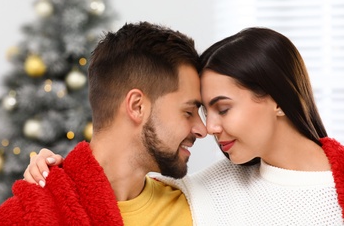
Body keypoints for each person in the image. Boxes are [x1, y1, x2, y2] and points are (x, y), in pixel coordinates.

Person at [26, 27, 344, 225]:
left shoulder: (332, 194)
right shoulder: (206, 191)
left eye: (223, 108)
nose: (208, 128)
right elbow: (104, 180)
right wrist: (54, 175)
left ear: (277, 99)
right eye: (200, 111)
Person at [0, 22, 207, 225]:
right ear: (137, 106)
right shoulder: (32, 213)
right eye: (188, 112)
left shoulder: (201, 206)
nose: (202, 129)